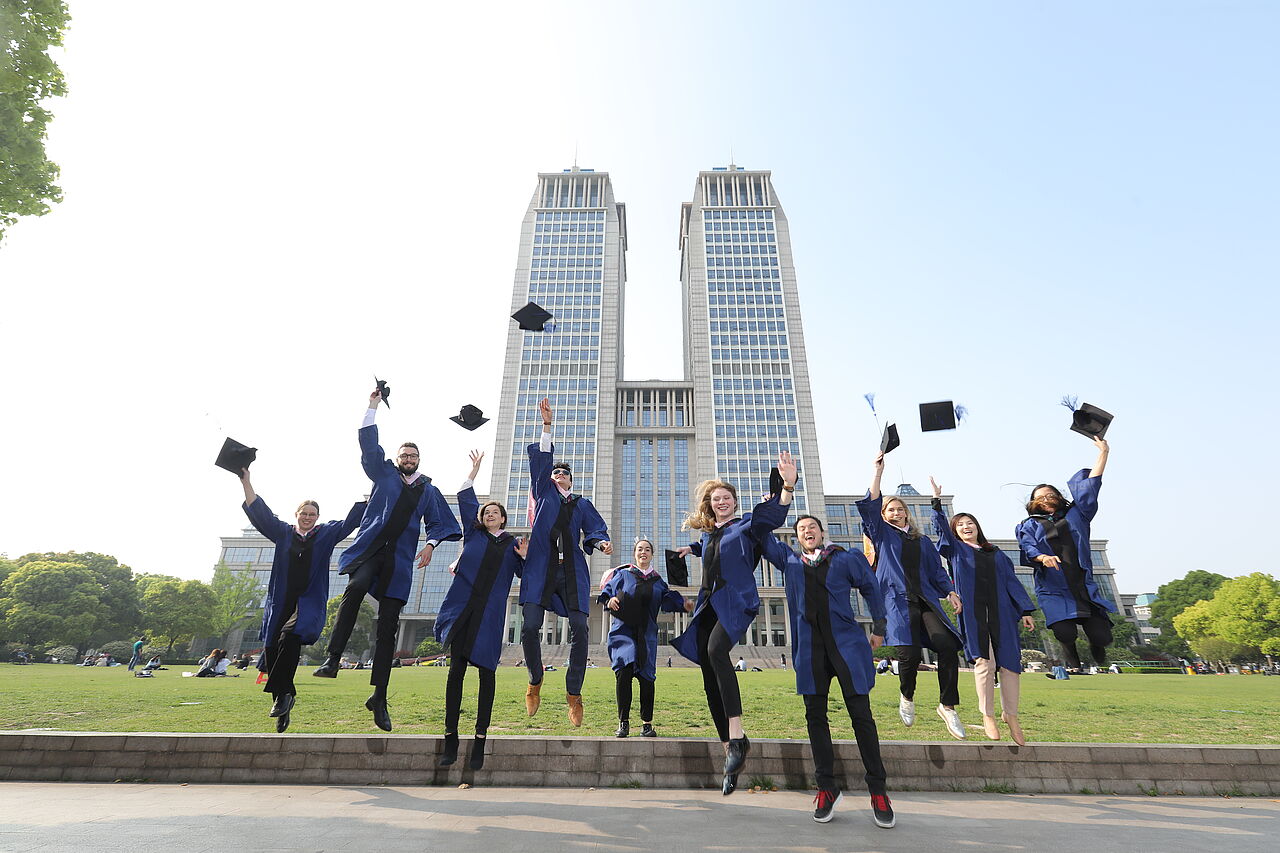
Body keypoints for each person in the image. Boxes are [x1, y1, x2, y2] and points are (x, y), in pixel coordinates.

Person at [312, 388, 462, 732]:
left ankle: (379, 696)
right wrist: (372, 406)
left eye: (413, 455)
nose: (408, 458)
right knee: (356, 588)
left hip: (399, 562)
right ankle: (333, 658)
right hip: (370, 551)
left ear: (419, 459)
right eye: (404, 454)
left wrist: (431, 544)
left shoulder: (429, 489)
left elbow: (441, 524)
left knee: (387, 629)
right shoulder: (383, 474)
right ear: (397, 457)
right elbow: (369, 447)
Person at [671, 451, 796, 795]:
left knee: (716, 650)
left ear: (735, 502)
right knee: (709, 670)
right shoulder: (711, 534)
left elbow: (770, 517)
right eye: (715, 499)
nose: (721, 502)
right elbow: (711, 546)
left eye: (726, 498)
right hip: (709, 604)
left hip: (737, 601)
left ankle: (738, 737)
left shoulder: (748, 525)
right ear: (710, 506)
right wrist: (689, 551)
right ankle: (729, 746)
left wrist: (786, 487)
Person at [760, 514, 894, 828]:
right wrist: (785, 491)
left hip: (845, 646)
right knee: (815, 718)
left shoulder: (845, 559)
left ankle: (878, 790)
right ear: (795, 538)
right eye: (801, 529)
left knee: (861, 716)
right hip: (810, 651)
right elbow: (762, 533)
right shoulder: (790, 563)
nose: (807, 531)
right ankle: (827, 788)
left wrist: (879, 626)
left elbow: (871, 588)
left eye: (812, 527)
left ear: (822, 533)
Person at [239, 468, 365, 733]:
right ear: (296, 515)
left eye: (312, 514)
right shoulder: (283, 533)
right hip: (281, 600)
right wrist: (246, 481)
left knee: (290, 636)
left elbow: (351, 521)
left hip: (307, 601)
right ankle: (284, 699)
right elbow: (259, 511)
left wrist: (380, 487)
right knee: (273, 650)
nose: (307, 517)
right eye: (303, 513)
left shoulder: (327, 534)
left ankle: (284, 697)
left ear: (317, 517)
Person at [855, 450, 966, 740]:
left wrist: (950, 591)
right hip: (895, 599)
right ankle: (907, 696)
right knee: (909, 653)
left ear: (906, 512)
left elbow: (937, 573)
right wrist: (878, 472)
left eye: (899, 509)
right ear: (884, 515)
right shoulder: (881, 534)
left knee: (946, 644)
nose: (896, 512)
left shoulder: (922, 541)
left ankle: (948, 705)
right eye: (890, 509)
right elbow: (870, 506)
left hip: (926, 598)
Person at [520, 397, 613, 726]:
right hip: (540, 570)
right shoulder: (542, 493)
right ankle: (534, 681)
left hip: (571, 571)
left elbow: (595, 528)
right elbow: (542, 465)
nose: (559, 475)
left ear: (571, 481)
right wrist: (547, 427)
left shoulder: (581, 503)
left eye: (564, 474)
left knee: (579, 630)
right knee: (530, 627)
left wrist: (599, 542)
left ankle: (573, 694)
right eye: (555, 471)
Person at [434, 450, 528, 770]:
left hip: (489, 618)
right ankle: (450, 740)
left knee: (487, 676)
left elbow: (525, 575)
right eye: (485, 511)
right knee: (455, 673)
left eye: (494, 512)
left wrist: (526, 557)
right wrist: (473, 471)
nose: (489, 514)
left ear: (502, 518)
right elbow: (463, 496)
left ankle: (479, 742)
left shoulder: (513, 543)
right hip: (463, 611)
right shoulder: (473, 534)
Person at [930, 478, 1036, 746]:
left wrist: (1024, 610)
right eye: (961, 525)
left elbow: (1012, 582)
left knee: (1011, 666)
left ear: (978, 527)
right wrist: (936, 504)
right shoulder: (956, 551)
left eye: (970, 523)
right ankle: (987, 715)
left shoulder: (997, 554)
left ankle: (1011, 715)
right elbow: (942, 531)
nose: (966, 527)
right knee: (984, 664)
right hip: (974, 614)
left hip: (1002, 614)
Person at [1015, 437, 1115, 674]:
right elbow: (1027, 547)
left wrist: (1103, 452)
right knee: (1065, 631)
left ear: (1058, 497)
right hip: (1054, 587)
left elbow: (1092, 486)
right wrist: (1042, 558)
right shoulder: (1028, 525)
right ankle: (1073, 664)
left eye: (1050, 495)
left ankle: (1095, 645)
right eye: (1040, 497)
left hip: (1082, 585)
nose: (1046, 499)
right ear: (1033, 503)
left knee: (1103, 637)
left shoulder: (1077, 514)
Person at [598, 539, 693, 738]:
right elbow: (607, 592)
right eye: (640, 549)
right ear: (634, 553)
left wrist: (682, 604)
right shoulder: (623, 574)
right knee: (623, 675)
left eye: (648, 549)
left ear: (652, 554)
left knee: (647, 678)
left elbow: (668, 599)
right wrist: (611, 599)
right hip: (623, 632)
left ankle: (646, 724)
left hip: (647, 634)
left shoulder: (658, 581)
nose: (643, 552)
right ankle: (623, 723)